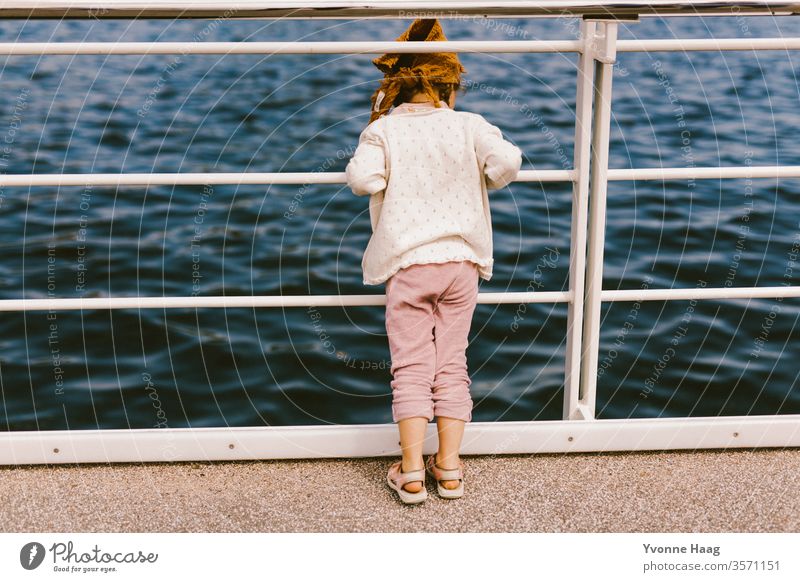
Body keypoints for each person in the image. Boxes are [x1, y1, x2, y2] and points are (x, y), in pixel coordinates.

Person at [345, 18, 522, 504]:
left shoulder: (383, 131)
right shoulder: (470, 125)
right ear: (451, 82)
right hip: (461, 263)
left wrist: (383, 173)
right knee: (452, 364)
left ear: (396, 84)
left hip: (409, 265)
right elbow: (506, 163)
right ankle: (449, 468)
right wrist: (481, 172)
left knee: (411, 366)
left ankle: (410, 472)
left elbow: (363, 182)